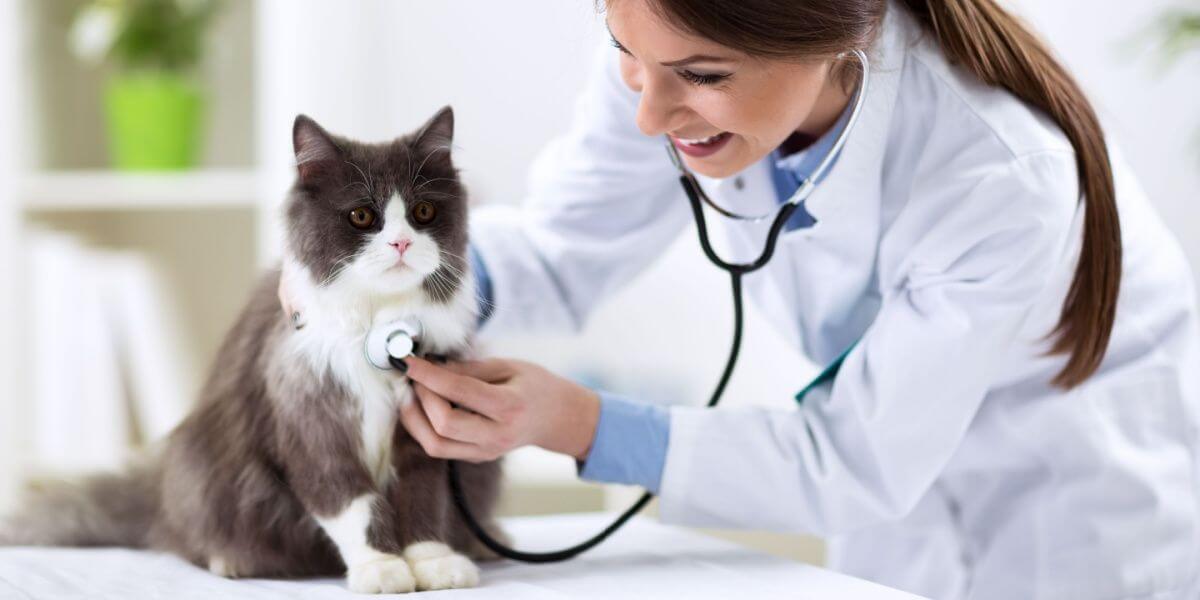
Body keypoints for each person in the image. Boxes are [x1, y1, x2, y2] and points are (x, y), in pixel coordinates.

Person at [295, 1, 1200, 598]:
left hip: (1071, 502)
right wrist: (401, 287)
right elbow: (570, 244)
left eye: (701, 77)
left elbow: (854, 460)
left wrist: (579, 423)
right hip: (901, 527)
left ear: (842, 43)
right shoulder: (666, 38)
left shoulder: (999, 177)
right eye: (626, 55)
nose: (650, 112)